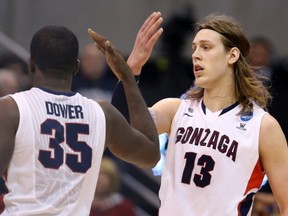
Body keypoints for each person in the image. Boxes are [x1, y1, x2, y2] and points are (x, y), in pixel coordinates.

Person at [112, 13, 288, 215]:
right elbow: (121, 130)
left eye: (206, 47)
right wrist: (131, 69)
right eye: (194, 48)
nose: (196, 54)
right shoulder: (174, 109)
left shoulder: (263, 126)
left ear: (232, 55)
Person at [0, 12, 162, 215]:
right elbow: (151, 155)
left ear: (31, 63)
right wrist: (128, 77)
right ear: (76, 67)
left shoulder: (10, 108)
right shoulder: (101, 113)